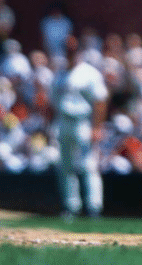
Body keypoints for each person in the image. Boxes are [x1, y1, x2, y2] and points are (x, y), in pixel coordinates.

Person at [50, 35, 109, 219]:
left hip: (83, 121)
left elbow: (100, 101)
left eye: (73, 50)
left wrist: (97, 127)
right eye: (67, 50)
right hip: (63, 121)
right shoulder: (60, 74)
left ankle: (93, 207)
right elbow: (52, 102)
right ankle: (71, 207)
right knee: (66, 166)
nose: (70, 53)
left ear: (79, 51)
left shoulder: (89, 73)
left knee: (88, 165)